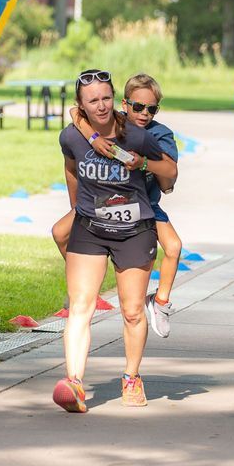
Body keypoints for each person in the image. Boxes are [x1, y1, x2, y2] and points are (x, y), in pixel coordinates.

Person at [51, 69, 166, 413]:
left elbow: (170, 172)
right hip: (91, 227)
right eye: (92, 101)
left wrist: (144, 164)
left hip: (134, 229)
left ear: (114, 98)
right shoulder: (71, 137)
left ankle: (131, 377)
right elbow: (71, 168)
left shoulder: (136, 135)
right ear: (80, 106)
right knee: (80, 306)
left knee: (131, 312)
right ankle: (74, 382)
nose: (100, 106)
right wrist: (78, 206)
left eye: (105, 98)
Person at [61, 74, 182, 340]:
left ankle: (160, 303)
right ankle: (81, 290)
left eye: (151, 109)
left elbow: (168, 179)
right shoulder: (112, 122)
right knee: (61, 233)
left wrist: (144, 163)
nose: (144, 113)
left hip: (145, 206)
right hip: (104, 203)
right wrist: (93, 138)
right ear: (124, 104)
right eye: (138, 107)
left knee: (173, 247)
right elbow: (75, 112)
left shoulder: (158, 135)